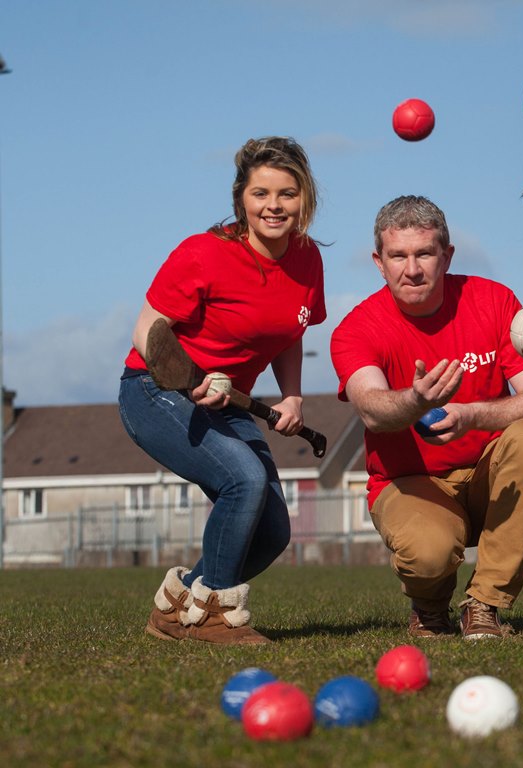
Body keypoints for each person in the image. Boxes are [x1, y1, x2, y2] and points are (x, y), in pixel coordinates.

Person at [119, 136, 327, 645]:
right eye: (261, 194)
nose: (273, 206)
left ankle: (180, 602)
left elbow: (289, 335)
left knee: (274, 530)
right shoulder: (203, 253)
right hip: (156, 391)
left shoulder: (306, 260)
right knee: (244, 481)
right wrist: (190, 380)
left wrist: (292, 396)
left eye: (287, 193)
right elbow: (146, 330)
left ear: (305, 199)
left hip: (226, 401)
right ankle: (212, 614)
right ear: (241, 199)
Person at [330, 195, 523, 640]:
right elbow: (372, 408)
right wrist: (416, 401)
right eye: (398, 256)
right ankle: (430, 606)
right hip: (410, 481)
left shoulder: (493, 301)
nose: (412, 268)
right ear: (379, 263)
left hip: (485, 474)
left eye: (424, 253)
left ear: (447, 255)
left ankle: (485, 607)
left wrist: (472, 414)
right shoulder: (357, 327)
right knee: (429, 554)